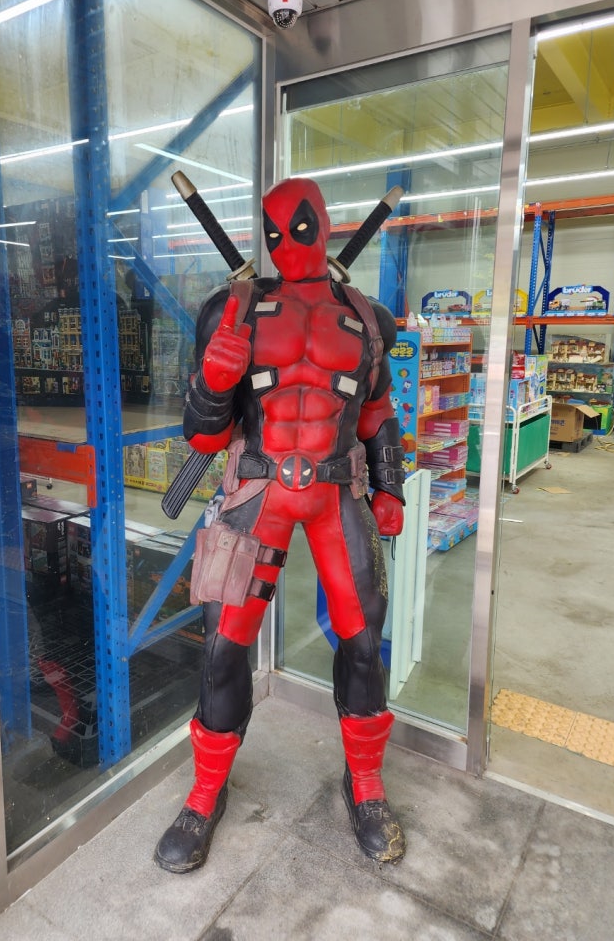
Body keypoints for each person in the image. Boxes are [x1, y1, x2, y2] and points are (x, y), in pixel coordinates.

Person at [155, 177, 406, 873]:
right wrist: (215, 381)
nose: (286, 244)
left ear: (324, 224)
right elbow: (203, 438)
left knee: (364, 643)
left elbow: (377, 413)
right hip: (257, 494)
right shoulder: (230, 311)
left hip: (334, 496)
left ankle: (366, 784)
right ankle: (205, 793)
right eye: (272, 232)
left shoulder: (366, 318)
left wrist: (390, 485)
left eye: (299, 227)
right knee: (221, 651)